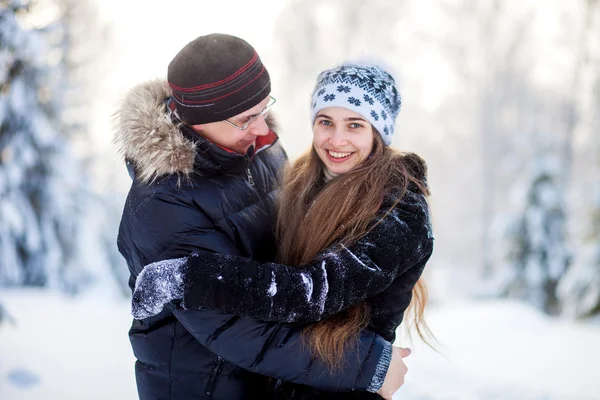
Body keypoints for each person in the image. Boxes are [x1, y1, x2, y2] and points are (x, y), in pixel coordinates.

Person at [115, 34, 406, 400]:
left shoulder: (260, 148)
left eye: (263, 108)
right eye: (245, 119)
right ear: (196, 119)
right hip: (208, 387)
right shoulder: (162, 205)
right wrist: (368, 363)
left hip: (271, 379)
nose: (262, 128)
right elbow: (237, 329)